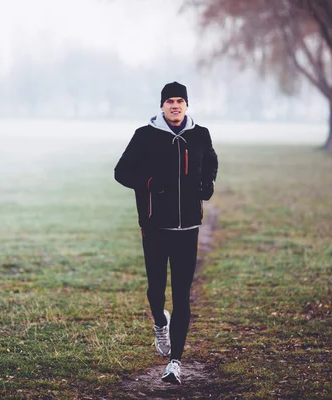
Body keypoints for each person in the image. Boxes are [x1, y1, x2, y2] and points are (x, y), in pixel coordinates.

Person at [114, 81, 218, 384]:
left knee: (182, 295)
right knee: (156, 290)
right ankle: (160, 321)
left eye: (180, 101)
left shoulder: (200, 134)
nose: (175, 105)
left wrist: (207, 183)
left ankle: (175, 362)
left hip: (188, 228)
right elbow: (121, 172)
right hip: (155, 227)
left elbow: (210, 159)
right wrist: (150, 184)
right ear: (161, 106)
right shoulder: (145, 136)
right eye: (170, 101)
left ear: (186, 105)